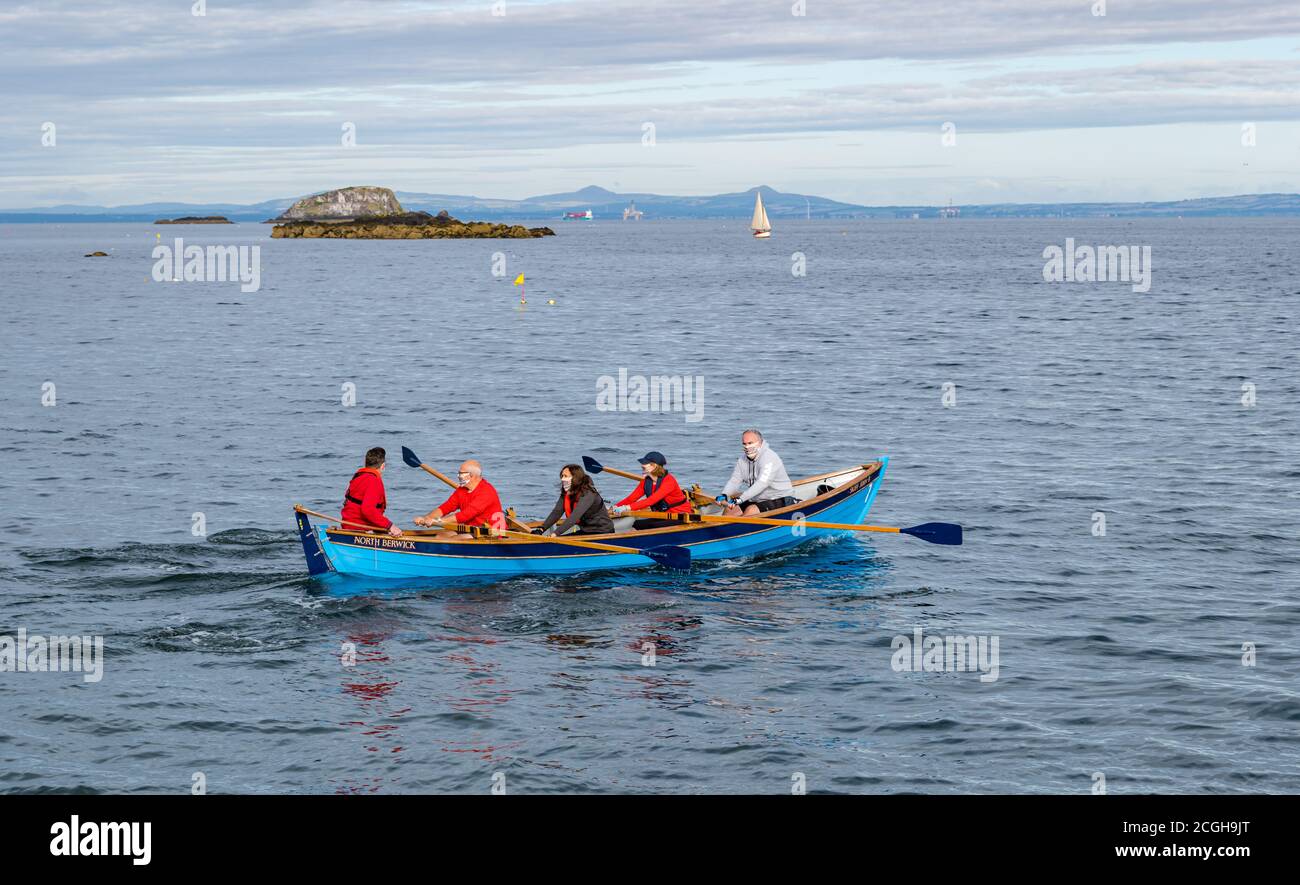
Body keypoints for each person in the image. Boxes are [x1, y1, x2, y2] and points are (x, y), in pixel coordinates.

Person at [413, 460, 504, 538]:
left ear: (471, 475)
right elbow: (445, 507)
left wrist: (436, 522)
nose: (458, 476)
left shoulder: (486, 491)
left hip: (492, 533)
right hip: (472, 530)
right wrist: (427, 518)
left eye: (461, 473)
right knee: (440, 536)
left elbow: (465, 515)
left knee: (456, 539)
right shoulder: (462, 490)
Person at [719, 429, 797, 516]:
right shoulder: (742, 460)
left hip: (780, 498)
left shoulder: (769, 458)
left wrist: (740, 499)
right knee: (729, 510)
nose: (747, 447)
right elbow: (735, 481)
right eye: (744, 444)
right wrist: (725, 494)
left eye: (750, 443)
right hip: (757, 499)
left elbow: (761, 484)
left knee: (751, 511)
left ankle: (743, 528)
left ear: (760, 443)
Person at [610, 451, 694, 530]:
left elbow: (650, 501)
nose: (642, 465)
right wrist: (615, 507)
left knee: (654, 526)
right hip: (662, 515)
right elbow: (631, 499)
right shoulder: (646, 481)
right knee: (637, 524)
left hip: (680, 515)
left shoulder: (669, 480)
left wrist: (626, 508)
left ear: (654, 466)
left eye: (645, 463)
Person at [534, 464, 615, 537]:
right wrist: (541, 529)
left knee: (558, 538)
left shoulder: (588, 493)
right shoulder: (567, 492)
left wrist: (555, 534)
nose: (562, 479)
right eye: (562, 476)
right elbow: (557, 512)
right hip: (585, 531)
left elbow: (574, 517)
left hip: (603, 532)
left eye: (566, 476)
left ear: (575, 478)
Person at [341, 447, 404, 537]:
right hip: (360, 529)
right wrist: (390, 526)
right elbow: (367, 510)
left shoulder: (358, 477)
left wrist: (383, 524)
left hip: (347, 526)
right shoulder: (374, 481)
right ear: (383, 466)